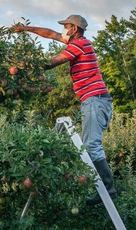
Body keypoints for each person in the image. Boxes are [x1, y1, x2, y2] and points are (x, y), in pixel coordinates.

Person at [14, 14, 117, 206]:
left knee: (92, 146)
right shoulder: (77, 42)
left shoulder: (79, 44)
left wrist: (26, 63)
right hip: (95, 100)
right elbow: (51, 34)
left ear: (74, 29)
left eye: (66, 26)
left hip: (94, 100)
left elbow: (52, 62)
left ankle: (108, 190)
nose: (63, 30)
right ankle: (106, 189)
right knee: (92, 145)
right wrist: (26, 29)